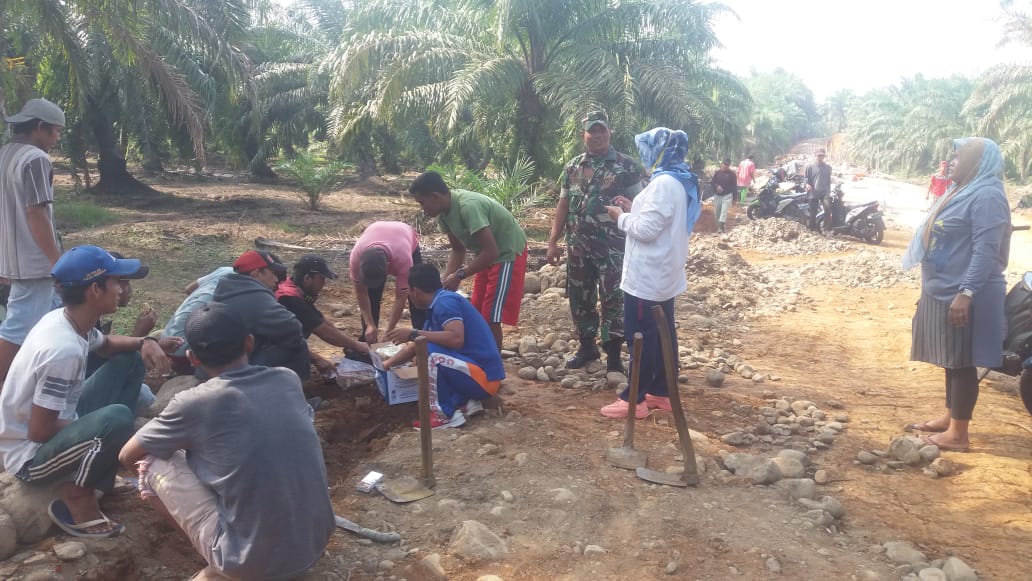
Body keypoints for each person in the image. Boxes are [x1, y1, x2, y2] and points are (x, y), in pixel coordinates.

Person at [119, 301, 335, 580]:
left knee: (151, 461)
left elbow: (127, 456)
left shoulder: (193, 402)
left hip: (250, 562)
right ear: (249, 342)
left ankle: (223, 561)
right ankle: (232, 555)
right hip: (313, 543)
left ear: (193, 358)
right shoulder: (287, 379)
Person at [0, 246, 172, 538]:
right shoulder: (62, 351)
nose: (121, 289)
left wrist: (146, 341)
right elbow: (39, 431)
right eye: (117, 282)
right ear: (95, 289)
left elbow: (106, 345)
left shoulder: (68, 320)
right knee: (117, 419)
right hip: (30, 456)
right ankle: (77, 495)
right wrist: (102, 430)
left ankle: (100, 467)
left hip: (57, 425)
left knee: (129, 361)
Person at [902, 137, 1011, 452]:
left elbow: (986, 252)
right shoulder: (962, 189)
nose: (952, 161)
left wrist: (966, 292)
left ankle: (959, 434)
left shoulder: (987, 195)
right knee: (951, 357)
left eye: (959, 156)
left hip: (967, 291)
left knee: (963, 361)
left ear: (978, 162)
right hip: (944, 287)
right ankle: (951, 416)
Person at [600, 128, 701, 419]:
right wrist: (635, 209)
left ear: (659, 151)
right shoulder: (678, 179)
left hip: (647, 277)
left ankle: (635, 398)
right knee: (662, 334)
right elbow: (660, 219)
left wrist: (622, 218)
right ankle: (661, 391)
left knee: (640, 337)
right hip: (664, 275)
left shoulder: (663, 183)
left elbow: (645, 230)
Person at [547, 111, 643, 373]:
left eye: (601, 130)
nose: (597, 135)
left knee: (613, 299)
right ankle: (587, 347)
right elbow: (564, 203)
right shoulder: (572, 166)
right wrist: (553, 240)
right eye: (592, 131)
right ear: (584, 135)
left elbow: (642, 206)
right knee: (580, 298)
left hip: (613, 249)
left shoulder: (627, 166)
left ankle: (613, 358)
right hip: (578, 246)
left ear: (609, 132)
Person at [408, 171, 528, 350]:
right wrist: (443, 284)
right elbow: (458, 249)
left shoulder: (468, 207)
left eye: (422, 203)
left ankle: (492, 363)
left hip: (506, 253)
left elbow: (492, 251)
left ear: (435, 196)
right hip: (485, 255)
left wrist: (460, 275)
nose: (422, 209)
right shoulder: (444, 215)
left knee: (490, 315)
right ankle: (478, 353)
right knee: (476, 310)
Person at [382, 263, 503, 429]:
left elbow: (456, 338)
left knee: (430, 355)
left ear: (415, 291)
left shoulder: (445, 303)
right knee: (424, 353)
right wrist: (385, 366)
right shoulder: (436, 306)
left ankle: (444, 415)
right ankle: (463, 403)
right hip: (476, 374)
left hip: (484, 378)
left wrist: (413, 333)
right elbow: (415, 347)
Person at [0, 98, 66, 384]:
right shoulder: (36, 159)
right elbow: (36, 211)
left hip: (11, 255)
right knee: (18, 328)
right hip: (33, 260)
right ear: (40, 127)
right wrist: (58, 263)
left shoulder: (5, 153)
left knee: (42, 319)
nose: (58, 137)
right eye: (55, 131)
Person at [212, 250, 310, 379]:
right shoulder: (253, 295)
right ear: (256, 273)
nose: (276, 280)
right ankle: (289, 395)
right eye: (273, 273)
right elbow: (292, 327)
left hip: (216, 363)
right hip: (236, 368)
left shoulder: (230, 287)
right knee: (297, 344)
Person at [276, 254, 369, 374]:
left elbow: (322, 321)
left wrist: (353, 344)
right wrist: (357, 346)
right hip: (267, 349)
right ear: (307, 278)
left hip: (279, 343)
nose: (323, 283)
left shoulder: (295, 289)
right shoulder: (288, 298)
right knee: (299, 363)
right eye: (321, 278)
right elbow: (323, 331)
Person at [350, 221, 427, 344]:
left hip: (404, 236)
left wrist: (389, 332)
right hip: (376, 231)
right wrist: (369, 324)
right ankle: (368, 338)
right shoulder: (356, 256)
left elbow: (400, 298)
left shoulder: (403, 259)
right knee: (371, 294)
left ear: (388, 267)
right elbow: (361, 293)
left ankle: (420, 337)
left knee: (416, 291)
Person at [161, 264, 236, 363]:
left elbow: (188, 289)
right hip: (184, 353)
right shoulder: (244, 287)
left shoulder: (225, 270)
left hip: (166, 338)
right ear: (257, 273)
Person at [805, 148, 833, 232]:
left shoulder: (828, 168)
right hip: (813, 192)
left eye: (822, 156)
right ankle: (812, 229)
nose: (820, 157)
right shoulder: (810, 167)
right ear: (815, 156)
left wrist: (828, 191)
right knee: (813, 211)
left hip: (824, 192)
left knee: (827, 208)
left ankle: (826, 228)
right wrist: (806, 184)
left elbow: (828, 180)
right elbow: (806, 178)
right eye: (819, 155)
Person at [711, 159, 738, 233]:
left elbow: (734, 187)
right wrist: (717, 186)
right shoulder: (717, 173)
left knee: (724, 211)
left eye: (727, 165)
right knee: (717, 213)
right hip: (717, 196)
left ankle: (722, 227)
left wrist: (735, 199)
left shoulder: (732, 175)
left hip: (727, 196)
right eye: (724, 164)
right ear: (722, 164)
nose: (725, 166)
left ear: (729, 166)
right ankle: (719, 227)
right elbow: (712, 182)